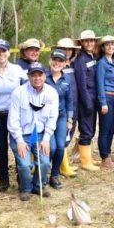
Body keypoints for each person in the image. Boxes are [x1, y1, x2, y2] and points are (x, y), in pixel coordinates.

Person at [7, 62, 59, 201]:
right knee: (25, 165)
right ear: (28, 76)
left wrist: (46, 138)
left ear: (45, 75)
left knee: (45, 162)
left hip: (40, 134)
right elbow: (13, 120)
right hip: (21, 134)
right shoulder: (18, 92)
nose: (37, 78)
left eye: (40, 75)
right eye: (33, 75)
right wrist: (19, 140)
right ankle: (25, 188)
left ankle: (38, 185)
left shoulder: (51, 93)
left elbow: (53, 118)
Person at [0, 39, 26, 192]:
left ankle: (22, 178)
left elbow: (27, 88)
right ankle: (3, 180)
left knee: (18, 147)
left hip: (15, 115)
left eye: (4, 51)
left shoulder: (17, 69)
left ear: (9, 52)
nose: (1, 54)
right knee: (1, 149)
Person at [45, 49, 75, 188]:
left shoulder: (67, 79)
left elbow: (70, 100)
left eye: (60, 61)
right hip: (45, 118)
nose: (57, 63)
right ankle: (43, 173)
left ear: (64, 63)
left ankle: (54, 175)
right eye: (54, 60)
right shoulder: (43, 76)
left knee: (60, 146)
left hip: (61, 116)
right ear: (50, 60)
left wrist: (70, 119)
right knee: (51, 147)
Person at [73, 30, 100, 172]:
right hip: (86, 100)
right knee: (86, 130)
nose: (89, 43)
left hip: (94, 98)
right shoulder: (80, 59)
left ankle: (88, 156)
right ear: (82, 43)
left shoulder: (93, 56)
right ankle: (85, 162)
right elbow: (81, 83)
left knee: (92, 129)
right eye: (86, 41)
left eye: (91, 41)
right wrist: (87, 102)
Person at [55, 37, 80, 178]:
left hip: (74, 104)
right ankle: (62, 166)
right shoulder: (57, 65)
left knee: (70, 133)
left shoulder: (74, 64)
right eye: (64, 49)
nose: (67, 51)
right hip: (63, 107)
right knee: (62, 135)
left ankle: (63, 163)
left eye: (69, 49)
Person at [96, 35, 114, 169]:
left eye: (112, 44)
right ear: (103, 47)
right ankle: (104, 157)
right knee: (105, 129)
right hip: (106, 97)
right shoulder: (102, 63)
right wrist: (103, 103)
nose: (110, 47)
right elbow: (99, 83)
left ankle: (108, 155)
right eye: (107, 45)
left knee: (112, 128)